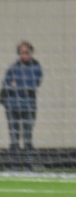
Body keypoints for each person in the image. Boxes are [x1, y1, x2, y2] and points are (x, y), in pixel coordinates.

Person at [2, 41, 43, 171]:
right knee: (14, 138)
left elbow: (33, 84)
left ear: (30, 53)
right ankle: (14, 166)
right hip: (12, 106)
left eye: (26, 52)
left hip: (28, 106)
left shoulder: (36, 67)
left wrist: (16, 84)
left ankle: (27, 166)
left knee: (27, 137)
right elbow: (6, 84)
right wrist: (17, 86)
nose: (24, 55)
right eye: (21, 52)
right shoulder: (13, 67)